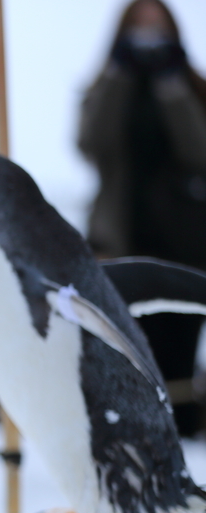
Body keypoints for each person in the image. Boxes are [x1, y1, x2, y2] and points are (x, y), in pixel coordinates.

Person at [79, 0, 206, 435]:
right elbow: (91, 142)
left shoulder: (192, 87)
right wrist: (121, 75)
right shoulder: (106, 86)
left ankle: (185, 437)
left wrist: (173, 85)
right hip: (121, 235)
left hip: (186, 240)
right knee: (122, 344)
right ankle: (130, 436)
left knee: (178, 345)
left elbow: (199, 151)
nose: (148, 34)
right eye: (140, 25)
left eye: (157, 25)